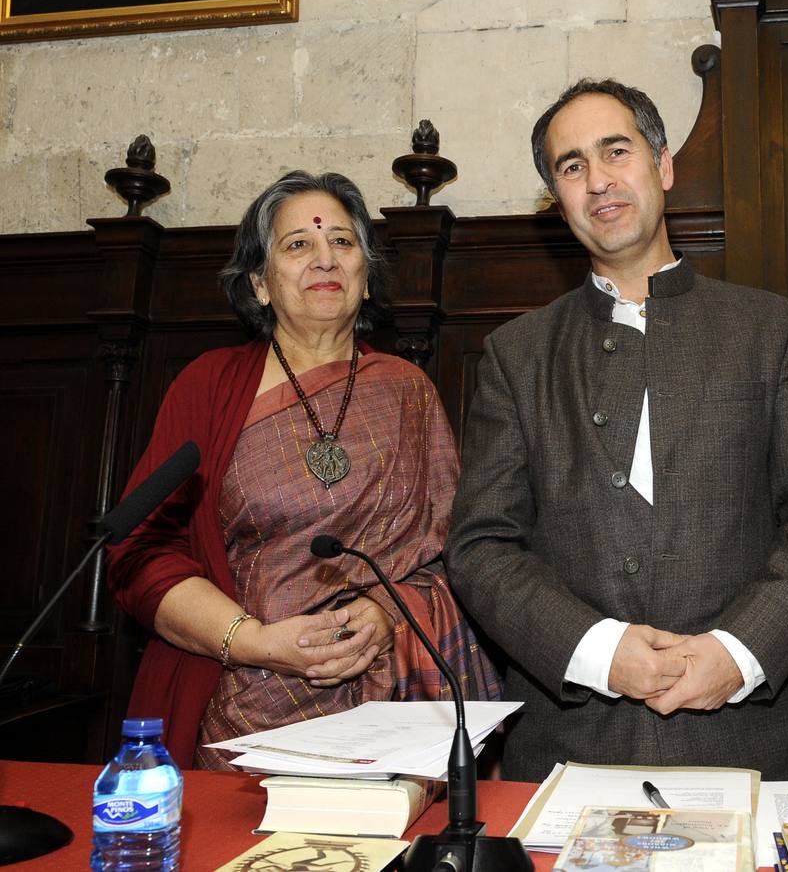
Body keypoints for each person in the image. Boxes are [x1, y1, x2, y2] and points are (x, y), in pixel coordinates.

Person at [445, 78, 788, 781]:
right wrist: (598, 653)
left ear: (662, 167)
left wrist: (739, 650)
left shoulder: (767, 328)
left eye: (615, 151)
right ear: (557, 198)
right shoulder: (515, 355)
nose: (597, 180)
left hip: (746, 742)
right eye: (571, 166)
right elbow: (482, 545)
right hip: (567, 752)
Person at [107, 170, 501, 769]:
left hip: (389, 701)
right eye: (298, 245)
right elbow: (141, 553)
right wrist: (253, 642)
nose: (325, 259)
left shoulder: (407, 392)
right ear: (260, 285)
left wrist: (388, 612)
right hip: (239, 700)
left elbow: (458, 553)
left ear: (366, 278)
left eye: (343, 243)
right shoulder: (208, 387)